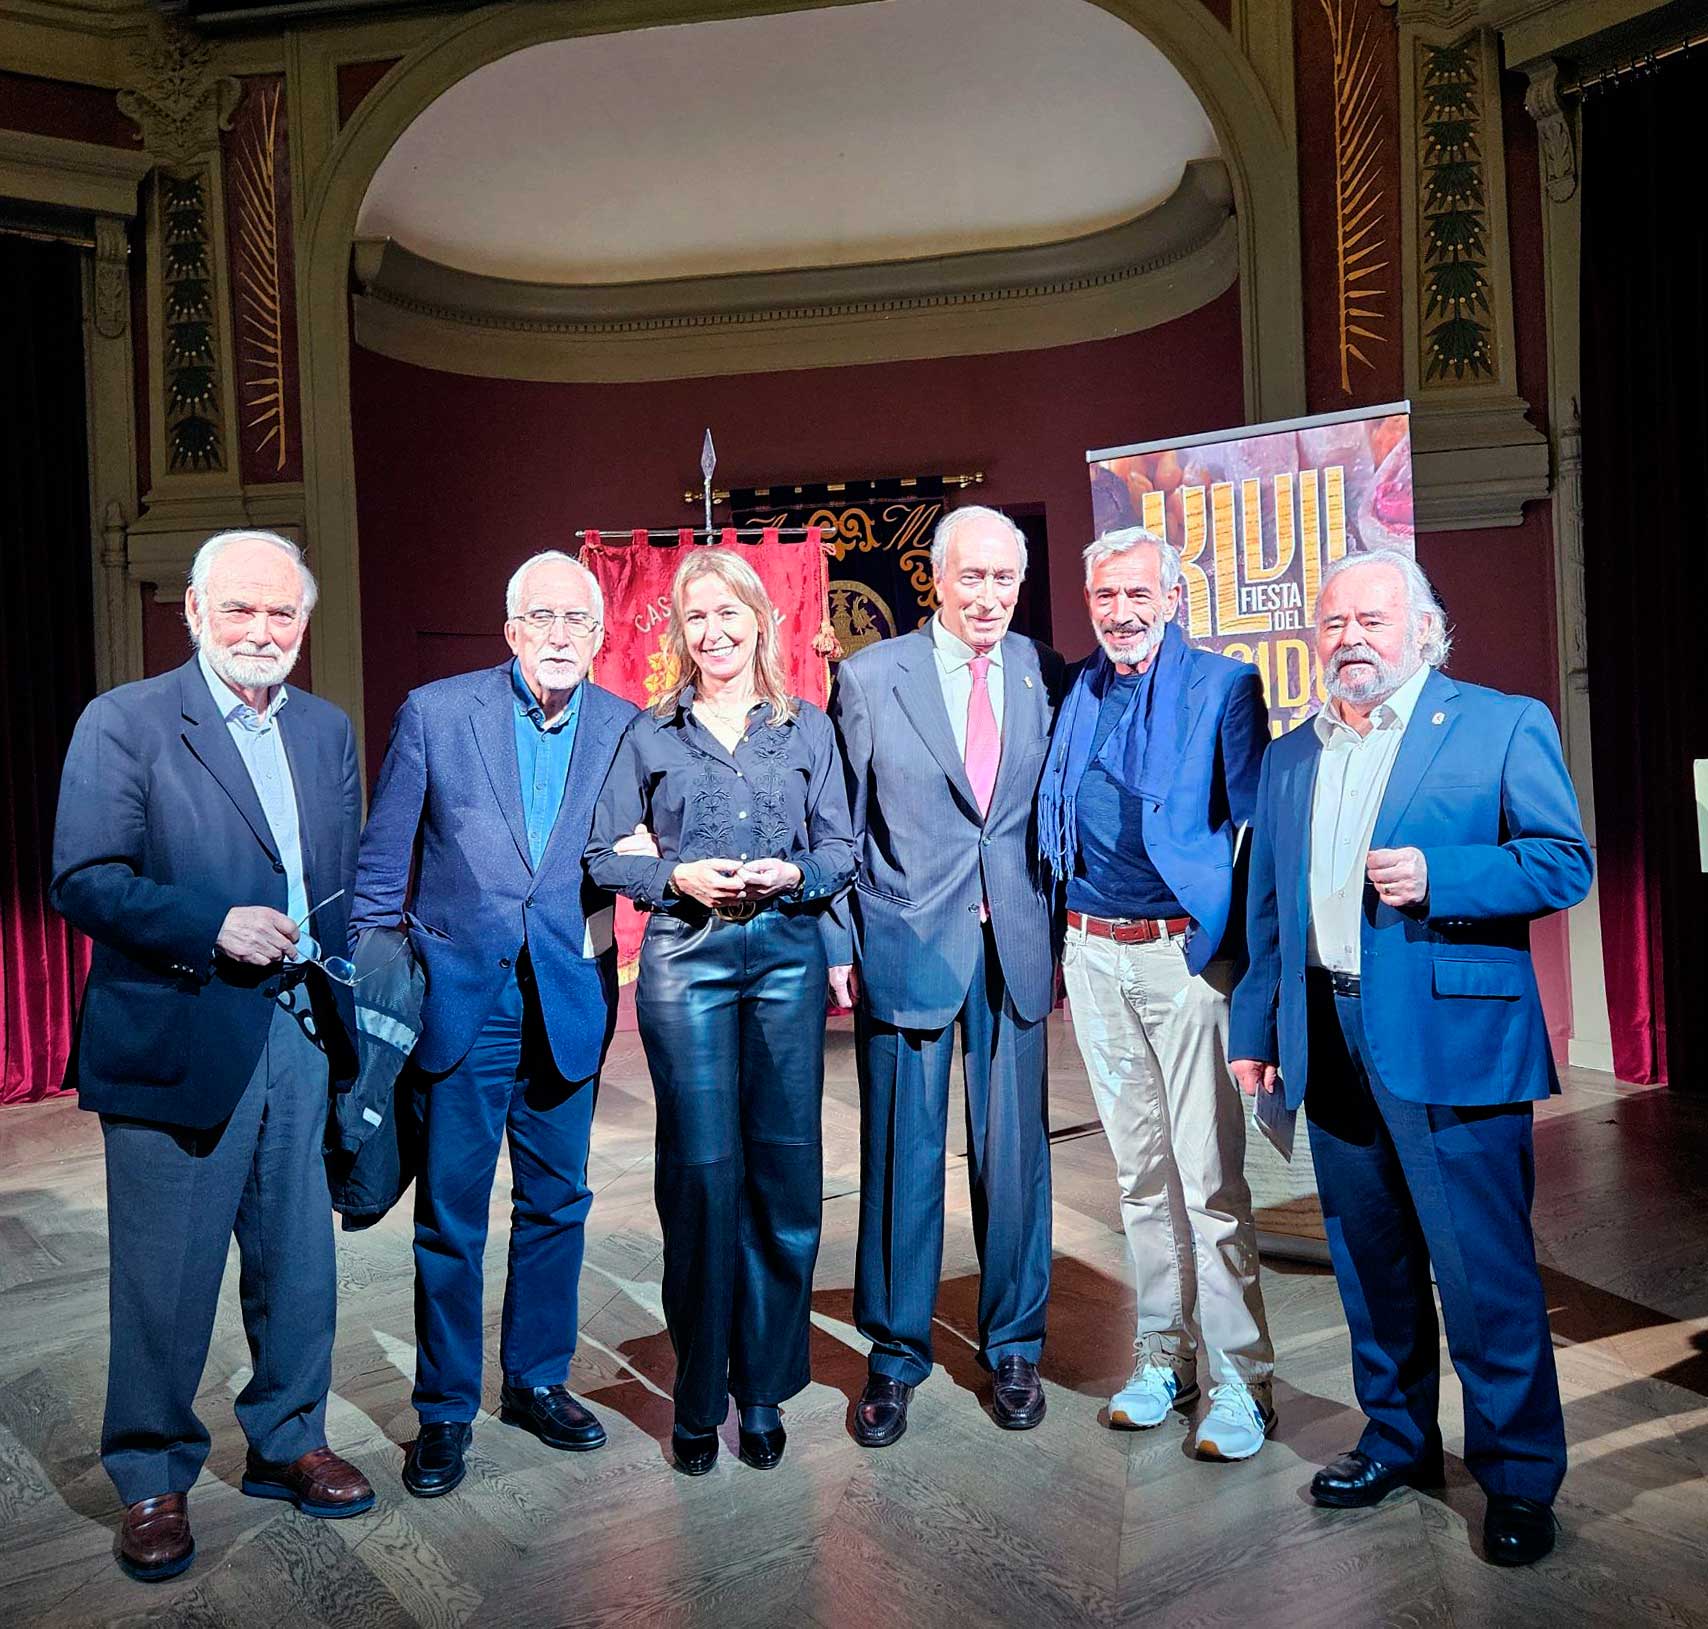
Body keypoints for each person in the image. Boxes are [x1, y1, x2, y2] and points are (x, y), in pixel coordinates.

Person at [1229, 549, 1592, 1567]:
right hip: (1327, 1037)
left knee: (1483, 1274)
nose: (1348, 638)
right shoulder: (1291, 753)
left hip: (1455, 1041)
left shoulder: (1499, 723)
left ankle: (1518, 1477)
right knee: (1368, 1263)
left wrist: (1443, 873)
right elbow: (1269, 913)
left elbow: (1564, 861)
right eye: (1331, 621)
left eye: (1371, 620)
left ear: (1422, 631)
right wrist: (1256, 1033)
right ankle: (1397, 1441)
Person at [51, 529, 374, 1583]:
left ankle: (289, 1440)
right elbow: (85, 878)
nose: (262, 630)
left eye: (282, 613)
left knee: (301, 1265)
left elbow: (338, 875)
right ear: (193, 612)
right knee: (166, 1279)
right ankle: (151, 1473)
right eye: (240, 609)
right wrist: (212, 926)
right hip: (180, 1031)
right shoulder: (128, 722)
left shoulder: (326, 732)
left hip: (299, 1032)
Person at [352, 550, 639, 1498]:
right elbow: (381, 876)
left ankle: (537, 1380)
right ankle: (443, 1411)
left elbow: (634, 861)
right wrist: (382, 999)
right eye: (543, 619)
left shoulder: (624, 727)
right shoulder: (437, 712)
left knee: (559, 1204)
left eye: (579, 623)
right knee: (452, 1217)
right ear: (511, 629)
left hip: (566, 1002)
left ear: (599, 637)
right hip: (460, 1008)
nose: (561, 637)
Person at [585, 547, 854, 1476]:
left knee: (782, 1180)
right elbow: (602, 856)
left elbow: (843, 849)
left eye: (730, 615)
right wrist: (672, 874)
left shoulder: (805, 727)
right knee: (700, 1178)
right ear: (680, 630)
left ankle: (764, 1391)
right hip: (686, 961)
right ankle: (698, 1395)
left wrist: (797, 872)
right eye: (697, 618)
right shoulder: (651, 733)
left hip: (784, 954)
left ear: (759, 621)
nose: (716, 632)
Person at [827, 505, 1065, 1445]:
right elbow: (840, 827)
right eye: (974, 577)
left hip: (1012, 943)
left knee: (1017, 1157)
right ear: (934, 575)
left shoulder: (1045, 673)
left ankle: (1014, 1342)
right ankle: (893, 1353)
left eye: (1006, 580)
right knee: (901, 1157)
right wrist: (840, 944)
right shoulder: (869, 676)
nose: (991, 597)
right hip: (904, 942)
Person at [1039, 527, 1275, 1457]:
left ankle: (1242, 1383)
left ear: (1172, 598)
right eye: (1106, 598)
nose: (1122, 614)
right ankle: (1164, 1356)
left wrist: (1247, 973)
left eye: (1139, 595)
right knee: (1139, 1177)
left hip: (1183, 958)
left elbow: (1252, 830)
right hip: (1091, 952)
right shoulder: (1079, 690)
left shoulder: (1224, 686)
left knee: (1209, 1176)